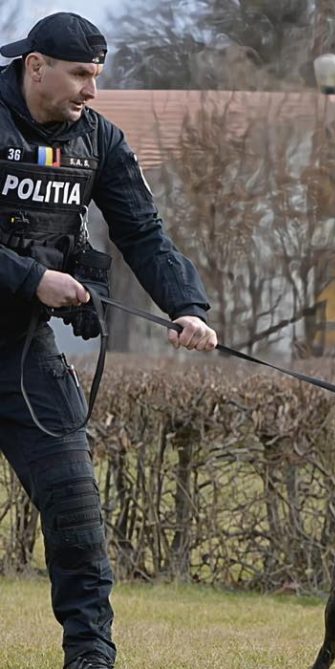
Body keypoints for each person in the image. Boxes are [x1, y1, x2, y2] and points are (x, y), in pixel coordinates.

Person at [0, 12, 218, 669]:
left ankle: (91, 653)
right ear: (35, 66)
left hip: (19, 349)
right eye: (80, 75)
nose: (91, 90)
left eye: (96, 76)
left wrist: (186, 306)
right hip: (24, 303)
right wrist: (33, 278)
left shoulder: (97, 140)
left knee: (75, 507)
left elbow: (143, 231)